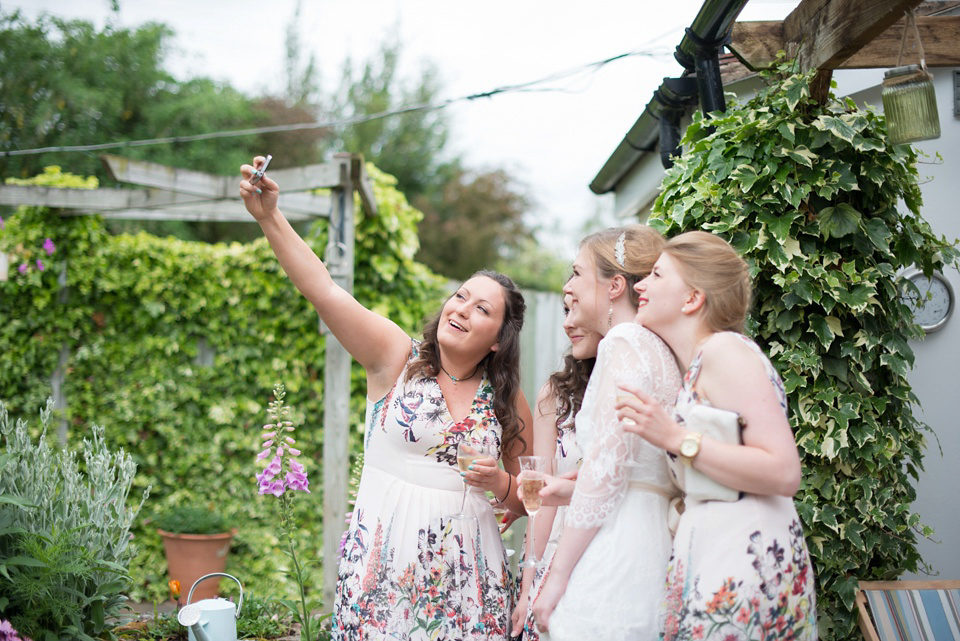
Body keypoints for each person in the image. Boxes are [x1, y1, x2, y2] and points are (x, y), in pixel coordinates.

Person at [239, 157, 534, 640]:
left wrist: (501, 481)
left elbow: (523, 499)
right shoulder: (398, 358)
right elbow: (326, 292)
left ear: (498, 339)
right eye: (459, 296)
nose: (460, 309)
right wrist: (270, 216)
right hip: (385, 571)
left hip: (470, 583)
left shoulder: (506, 401)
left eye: (481, 309)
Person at [618, 230, 817, 640]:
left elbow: (783, 471)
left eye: (656, 275)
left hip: (747, 557)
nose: (640, 284)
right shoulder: (700, 363)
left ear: (692, 299)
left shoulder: (725, 350)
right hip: (713, 549)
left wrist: (676, 438)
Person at [532, 225, 682, 640]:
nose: (567, 285)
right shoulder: (664, 351)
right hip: (654, 542)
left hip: (618, 545)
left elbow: (608, 466)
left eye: (577, 273)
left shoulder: (624, 341)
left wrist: (556, 575)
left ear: (615, 285)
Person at [511, 296, 600, 640]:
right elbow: (540, 498)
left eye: (576, 308)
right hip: (556, 548)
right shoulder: (555, 394)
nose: (567, 322)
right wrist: (526, 589)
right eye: (565, 309)